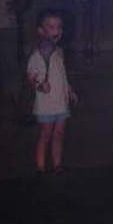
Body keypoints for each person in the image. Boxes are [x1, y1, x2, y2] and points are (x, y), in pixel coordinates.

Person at [26, 9, 76, 172]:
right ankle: (40, 167)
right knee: (45, 134)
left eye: (59, 27)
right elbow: (31, 77)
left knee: (59, 133)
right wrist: (40, 85)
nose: (57, 30)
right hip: (46, 104)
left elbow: (62, 74)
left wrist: (69, 90)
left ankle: (57, 164)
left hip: (61, 102)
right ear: (41, 31)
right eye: (51, 27)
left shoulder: (59, 52)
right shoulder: (36, 55)